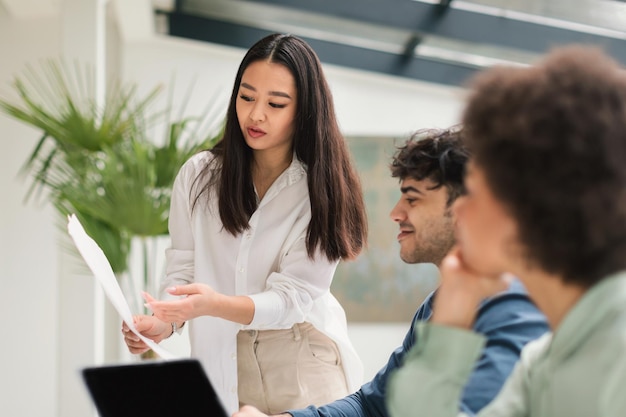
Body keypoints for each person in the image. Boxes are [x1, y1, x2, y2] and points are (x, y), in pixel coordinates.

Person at [121, 33, 368, 415]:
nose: (256, 115)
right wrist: (163, 323)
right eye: (247, 96)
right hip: (224, 362)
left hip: (300, 358)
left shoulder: (320, 188)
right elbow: (182, 271)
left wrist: (214, 304)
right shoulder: (198, 176)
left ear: (304, 111)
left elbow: (292, 299)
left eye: (276, 103)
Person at [234, 128, 548, 417]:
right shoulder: (435, 307)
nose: (396, 213)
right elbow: (373, 404)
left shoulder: (517, 306)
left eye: (412, 198)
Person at [387, 46, 626, 417]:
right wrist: (451, 322)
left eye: (477, 192)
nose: (461, 208)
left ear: (532, 203)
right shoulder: (542, 360)